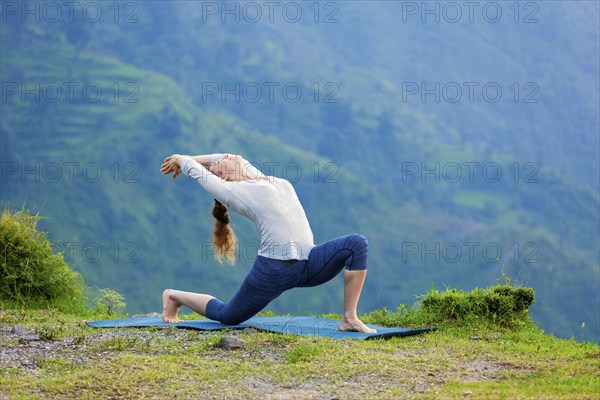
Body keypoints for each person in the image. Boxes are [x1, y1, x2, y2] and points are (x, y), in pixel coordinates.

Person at [160, 153, 376, 333]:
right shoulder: (233, 192)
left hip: (309, 261)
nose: (224, 156)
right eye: (219, 163)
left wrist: (194, 157)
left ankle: (349, 318)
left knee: (356, 244)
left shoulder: (261, 179)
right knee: (229, 316)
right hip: (273, 270)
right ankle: (174, 296)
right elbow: (199, 173)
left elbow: (228, 156)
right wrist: (181, 159)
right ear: (223, 177)